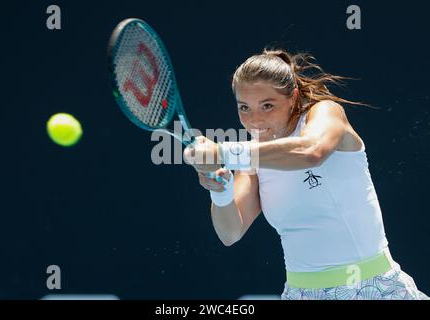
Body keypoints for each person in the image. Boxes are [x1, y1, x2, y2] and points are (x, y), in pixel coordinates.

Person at [183, 48, 429, 300]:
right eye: (244, 107)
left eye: (267, 106)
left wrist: (223, 152)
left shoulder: (325, 112)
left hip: (370, 289)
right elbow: (230, 233)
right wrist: (220, 188)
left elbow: (311, 150)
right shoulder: (254, 155)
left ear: (293, 98)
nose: (254, 120)